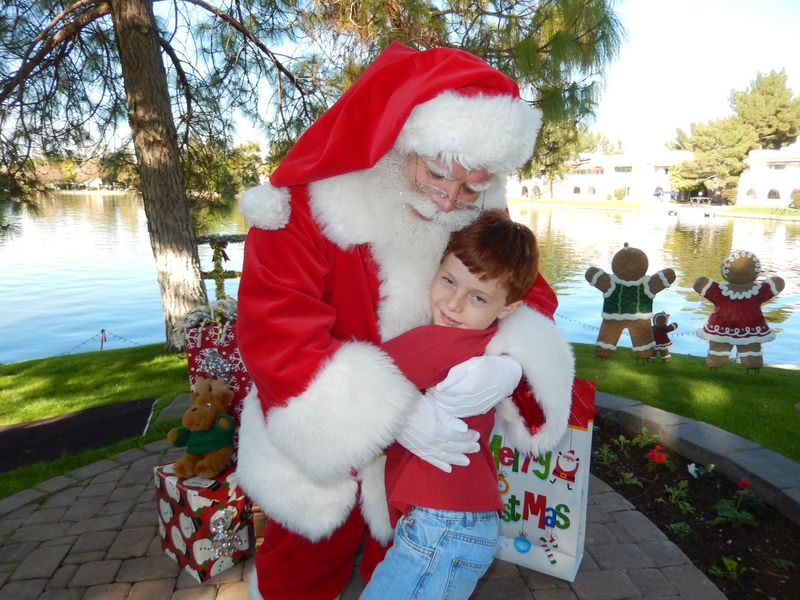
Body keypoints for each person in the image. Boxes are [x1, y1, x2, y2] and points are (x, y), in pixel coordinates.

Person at [235, 41, 575, 600]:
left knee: (397, 571)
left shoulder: (478, 204)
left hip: (429, 460)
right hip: (325, 442)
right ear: (402, 141)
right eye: (437, 174)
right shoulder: (303, 208)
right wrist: (394, 415)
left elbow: (524, 289)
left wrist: (511, 363)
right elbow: (278, 337)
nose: (449, 200)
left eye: (470, 185)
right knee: (296, 575)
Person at [362, 210, 538, 599]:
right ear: (436, 268)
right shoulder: (486, 341)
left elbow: (355, 378)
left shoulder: (431, 343)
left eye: (477, 297)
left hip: (440, 526)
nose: (454, 304)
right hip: (462, 523)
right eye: (448, 280)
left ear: (507, 308)